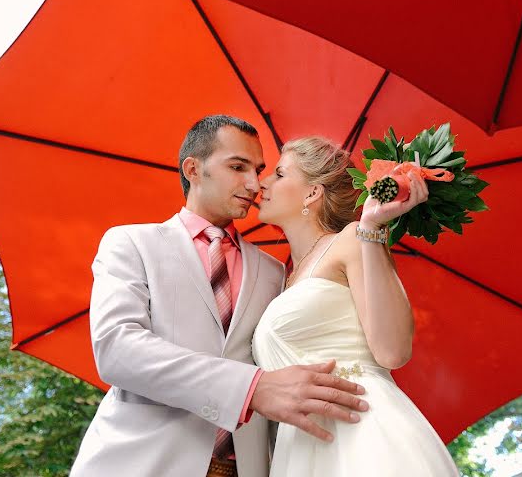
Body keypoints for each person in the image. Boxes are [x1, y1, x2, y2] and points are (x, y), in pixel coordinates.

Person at [71, 116, 368, 477]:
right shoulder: (131, 243)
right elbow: (117, 348)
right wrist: (250, 388)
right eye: (237, 166)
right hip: (140, 463)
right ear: (193, 169)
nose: (254, 183)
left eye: (258, 170)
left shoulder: (275, 272)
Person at [254, 136, 459, 476]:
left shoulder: (353, 239)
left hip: (362, 432)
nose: (263, 183)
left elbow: (393, 352)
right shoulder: (281, 278)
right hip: (300, 448)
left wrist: (371, 226)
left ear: (312, 193)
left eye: (279, 174)